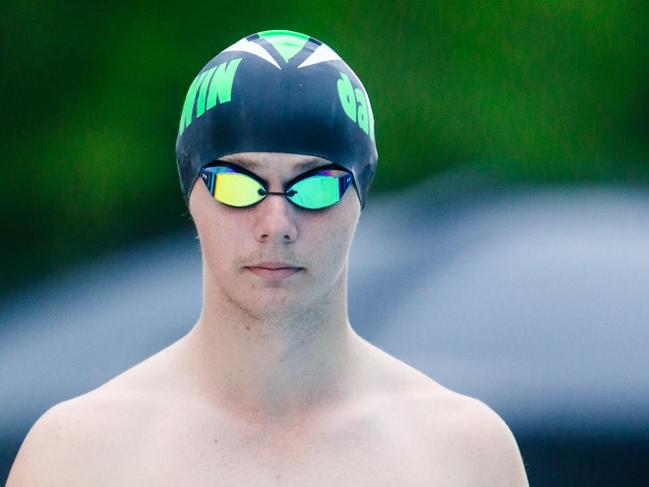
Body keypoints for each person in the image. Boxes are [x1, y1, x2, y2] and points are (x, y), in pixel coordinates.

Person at [7, 30, 529, 486]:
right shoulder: (77, 457)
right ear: (191, 192)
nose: (276, 224)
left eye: (316, 185)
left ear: (361, 196)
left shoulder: (464, 456)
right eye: (238, 184)